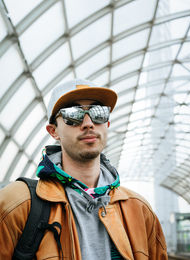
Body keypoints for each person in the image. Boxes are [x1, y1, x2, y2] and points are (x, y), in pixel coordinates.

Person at [0, 78, 168, 260]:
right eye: (73, 115)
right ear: (53, 131)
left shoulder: (139, 210)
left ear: (107, 125)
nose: (88, 123)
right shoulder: (16, 204)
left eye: (99, 113)